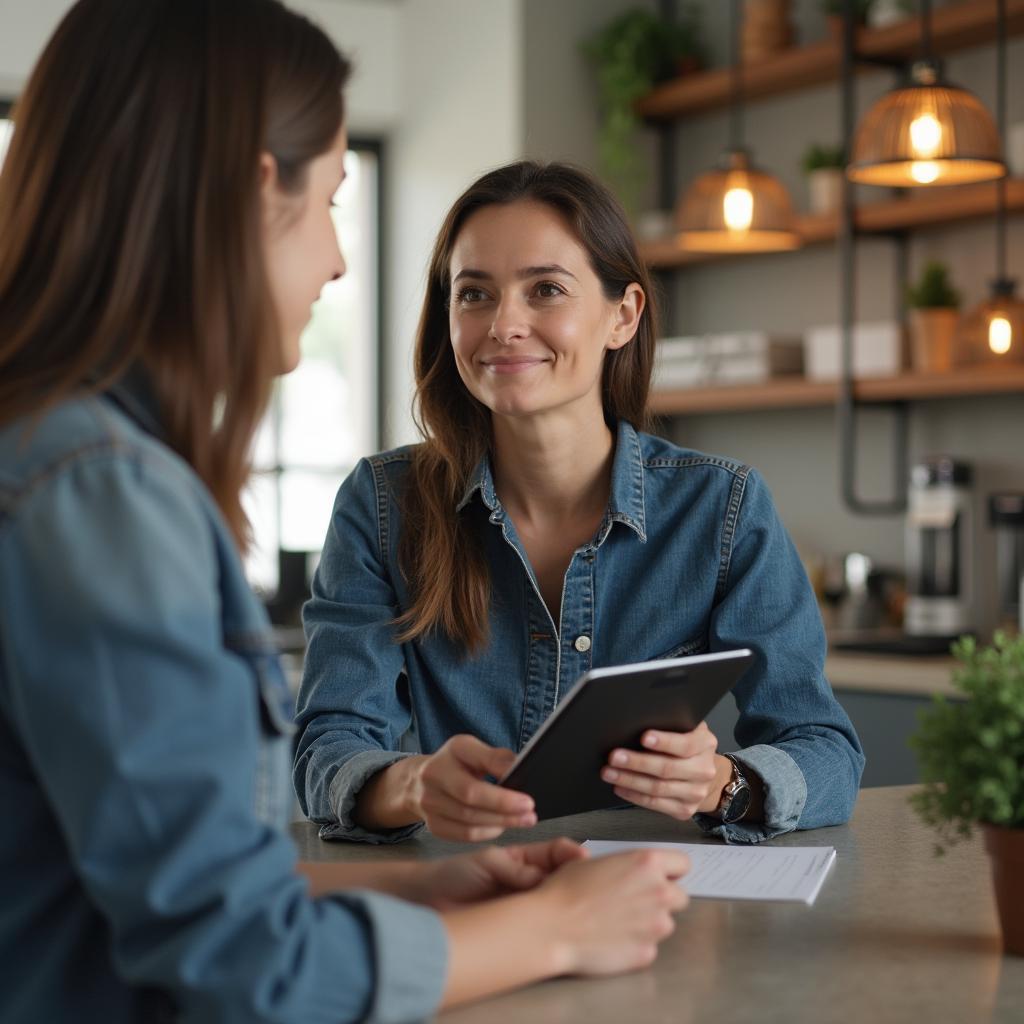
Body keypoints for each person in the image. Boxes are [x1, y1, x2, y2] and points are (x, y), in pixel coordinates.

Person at [0, 3, 691, 1022]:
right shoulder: (99, 488)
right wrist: (554, 929)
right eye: (330, 198)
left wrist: (415, 889)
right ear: (248, 188)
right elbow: (243, 966)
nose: (335, 258)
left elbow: (136, 887)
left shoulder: (54, 448)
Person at [294, 160, 865, 847]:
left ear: (621, 316)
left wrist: (722, 783)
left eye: (545, 290)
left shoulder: (723, 506)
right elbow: (328, 747)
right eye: (474, 294)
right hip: (472, 901)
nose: (504, 324)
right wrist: (413, 783)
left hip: (657, 903)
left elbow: (826, 749)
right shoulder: (384, 504)